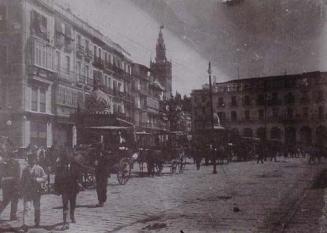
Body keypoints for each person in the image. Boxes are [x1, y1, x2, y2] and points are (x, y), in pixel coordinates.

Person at [54, 148, 82, 230]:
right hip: (64, 188)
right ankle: (65, 221)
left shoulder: (75, 165)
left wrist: (79, 182)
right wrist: (56, 188)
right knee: (65, 204)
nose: (68, 159)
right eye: (67, 158)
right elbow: (57, 177)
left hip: (73, 187)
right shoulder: (60, 166)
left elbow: (79, 175)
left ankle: (72, 215)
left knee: (73, 203)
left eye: (70, 157)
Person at [21, 152, 47, 227]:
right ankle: (25, 224)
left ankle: (37, 222)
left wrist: (37, 180)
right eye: (29, 159)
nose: (31, 161)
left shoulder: (39, 168)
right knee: (26, 207)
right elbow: (22, 181)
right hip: (27, 191)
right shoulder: (25, 169)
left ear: (35, 160)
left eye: (32, 159)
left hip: (36, 191)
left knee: (37, 207)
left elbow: (45, 178)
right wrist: (21, 190)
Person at [0, 138, 20, 221]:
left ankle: (13, 215)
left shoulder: (14, 159)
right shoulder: (4, 155)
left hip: (13, 181)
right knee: (6, 200)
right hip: (7, 181)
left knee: (14, 199)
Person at [94, 142, 109, 207]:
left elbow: (106, 163)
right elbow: (95, 162)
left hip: (103, 172)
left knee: (102, 187)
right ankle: (101, 201)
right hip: (99, 173)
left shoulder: (105, 154)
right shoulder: (97, 154)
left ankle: (102, 201)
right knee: (99, 187)